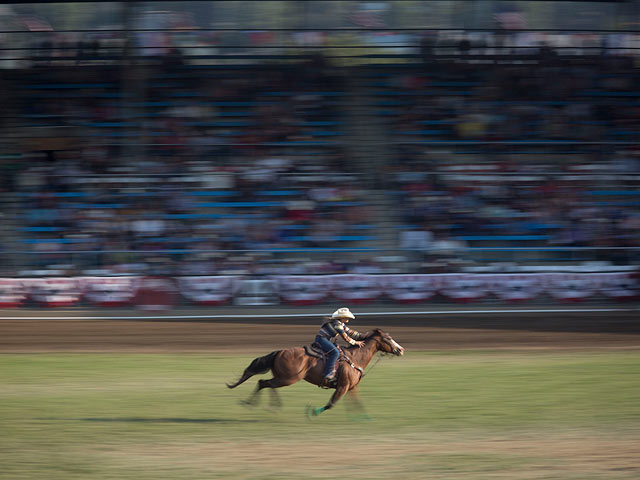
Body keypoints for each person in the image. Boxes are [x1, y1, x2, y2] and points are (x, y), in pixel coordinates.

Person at [314, 307, 365, 385]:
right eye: (347, 317)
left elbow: (350, 332)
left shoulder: (340, 324)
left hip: (324, 339)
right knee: (335, 353)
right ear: (342, 317)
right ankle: (328, 373)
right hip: (321, 339)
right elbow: (346, 337)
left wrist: (362, 336)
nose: (348, 318)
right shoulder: (337, 325)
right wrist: (356, 343)